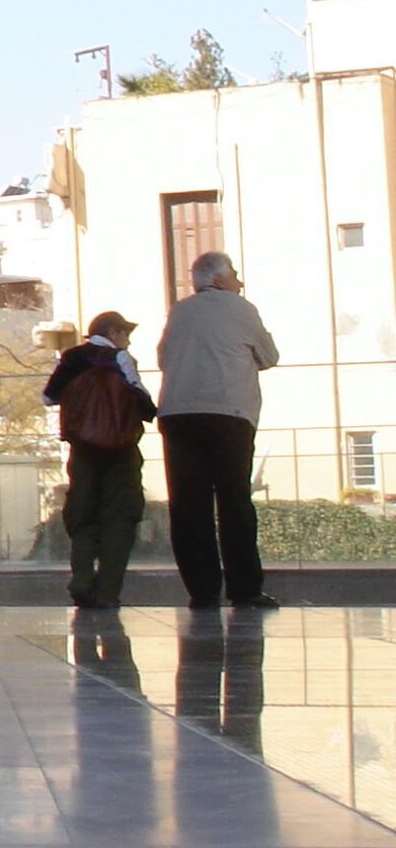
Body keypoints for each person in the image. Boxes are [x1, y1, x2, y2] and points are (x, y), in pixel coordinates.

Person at [156, 250, 282, 610]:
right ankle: (244, 588)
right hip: (228, 413)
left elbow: (164, 357)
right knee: (234, 501)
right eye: (235, 275)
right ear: (220, 280)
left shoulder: (178, 312)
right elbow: (270, 356)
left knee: (187, 505)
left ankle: (202, 590)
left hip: (178, 414)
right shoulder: (241, 308)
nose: (239, 282)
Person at [43, 309, 157, 609]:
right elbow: (144, 403)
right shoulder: (121, 360)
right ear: (113, 333)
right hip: (121, 452)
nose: (128, 342)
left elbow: (48, 397)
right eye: (125, 335)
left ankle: (82, 578)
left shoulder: (71, 358)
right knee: (120, 518)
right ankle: (108, 593)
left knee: (83, 515)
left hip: (83, 451)